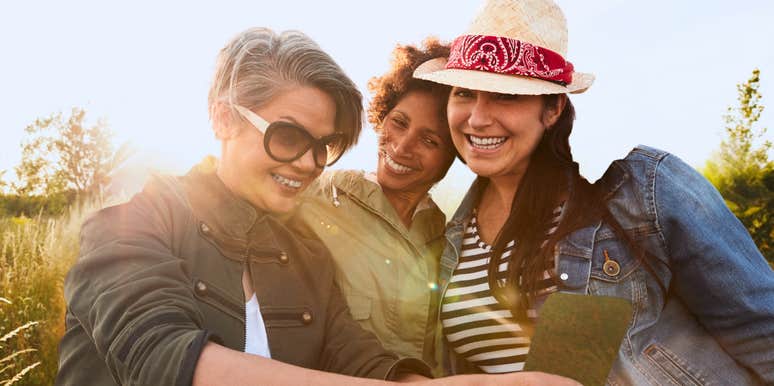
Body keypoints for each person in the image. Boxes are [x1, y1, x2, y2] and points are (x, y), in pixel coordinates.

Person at [55, 27, 580, 386]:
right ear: (221, 119)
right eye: (287, 137)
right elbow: (160, 356)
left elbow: (358, 354)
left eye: (323, 146)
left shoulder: (302, 252)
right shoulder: (133, 222)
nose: (308, 163)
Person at [413, 0, 774, 384]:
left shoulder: (643, 190)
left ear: (552, 108)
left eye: (507, 95)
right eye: (464, 93)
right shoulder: (450, 235)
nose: (478, 118)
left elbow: (761, 331)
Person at [291, 38, 455, 371]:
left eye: (430, 140)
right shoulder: (314, 200)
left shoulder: (448, 240)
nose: (403, 147)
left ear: (453, 156)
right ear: (383, 115)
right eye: (399, 122)